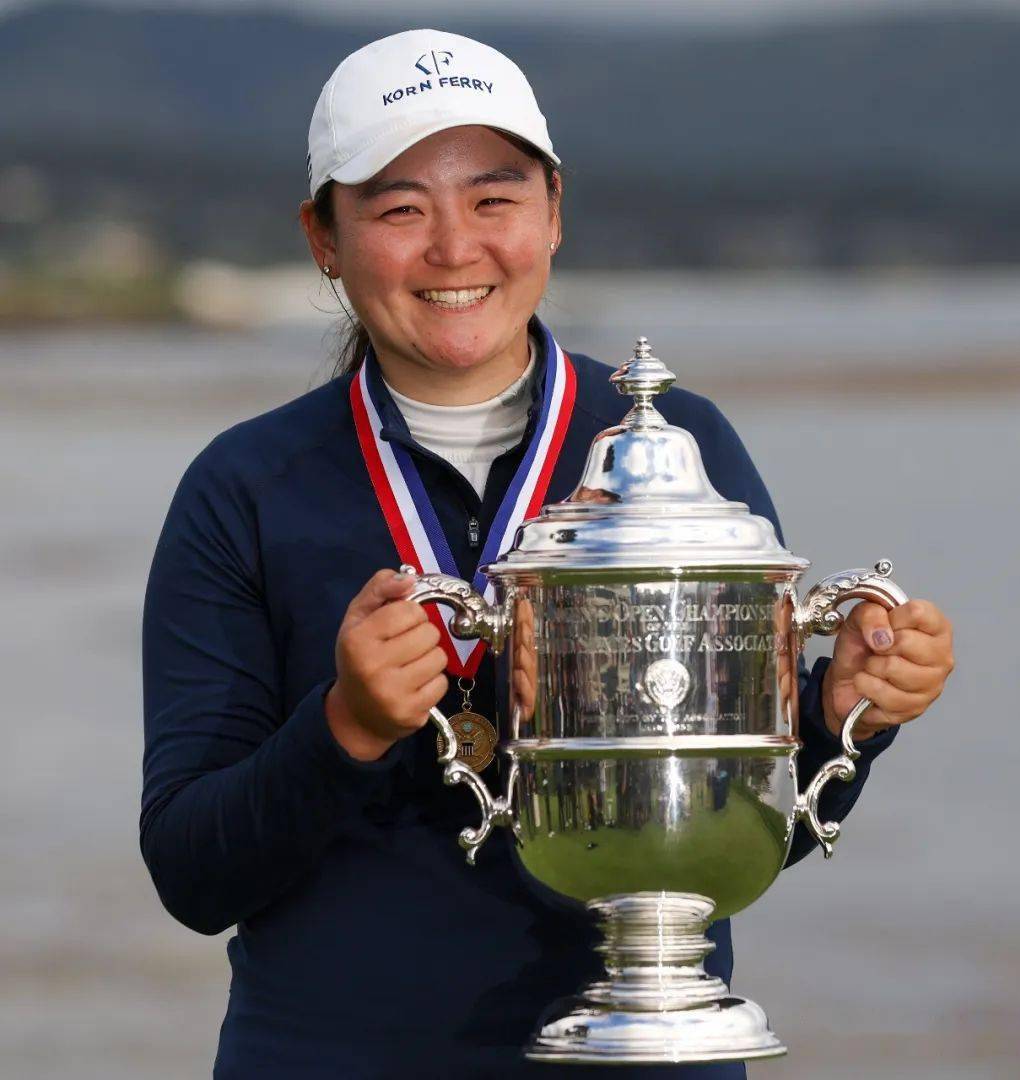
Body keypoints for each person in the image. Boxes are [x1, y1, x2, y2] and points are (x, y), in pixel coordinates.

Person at [140, 29, 955, 1080]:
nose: (454, 248)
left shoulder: (680, 450)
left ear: (554, 212)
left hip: (646, 1054)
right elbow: (192, 876)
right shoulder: (244, 488)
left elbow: (755, 830)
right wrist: (345, 726)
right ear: (323, 238)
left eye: (495, 199)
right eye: (399, 209)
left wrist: (852, 714)